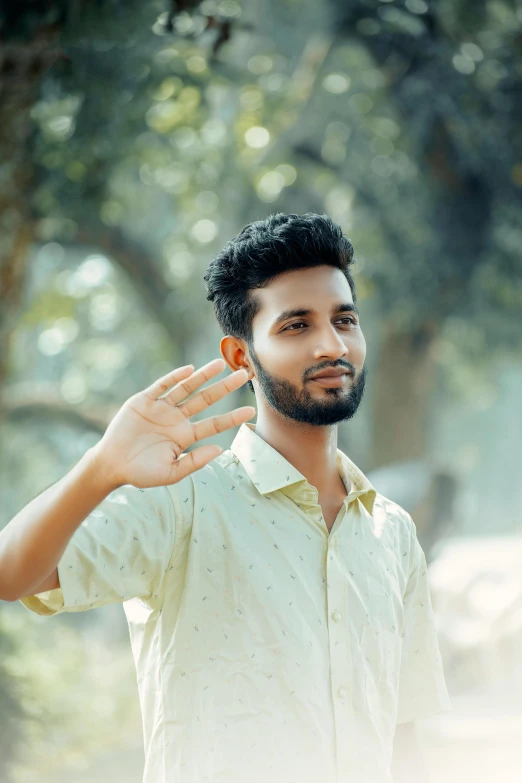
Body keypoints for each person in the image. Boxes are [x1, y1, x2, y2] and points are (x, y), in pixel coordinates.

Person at [0, 213, 451, 783]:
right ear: (241, 356)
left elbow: (402, 736)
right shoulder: (180, 501)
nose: (331, 345)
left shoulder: (392, 532)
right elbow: (10, 574)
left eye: (344, 320)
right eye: (295, 326)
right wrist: (100, 469)